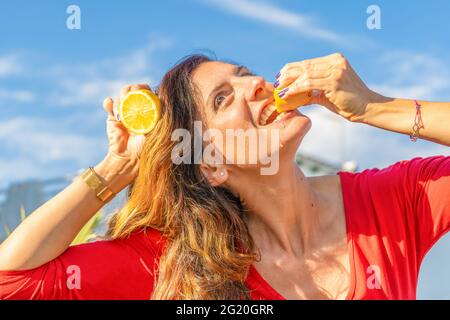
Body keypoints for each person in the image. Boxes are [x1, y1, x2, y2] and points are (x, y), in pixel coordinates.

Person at [0, 53, 449, 300]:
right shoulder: (186, 264)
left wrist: (374, 106)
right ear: (211, 164)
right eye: (221, 99)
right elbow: (12, 283)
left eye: (246, 75)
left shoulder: (390, 201)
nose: (255, 84)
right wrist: (118, 168)